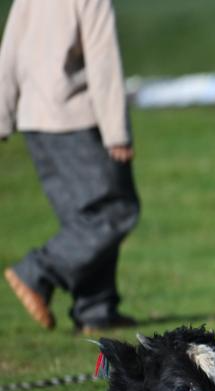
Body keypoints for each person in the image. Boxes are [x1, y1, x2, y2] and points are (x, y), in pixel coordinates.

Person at [1, 0, 140, 334]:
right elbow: (103, 61)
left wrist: (2, 115)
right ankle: (38, 272)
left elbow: (9, 51)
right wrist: (116, 132)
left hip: (34, 121)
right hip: (74, 119)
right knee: (115, 209)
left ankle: (96, 310)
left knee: (82, 217)